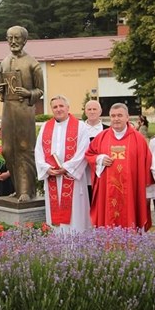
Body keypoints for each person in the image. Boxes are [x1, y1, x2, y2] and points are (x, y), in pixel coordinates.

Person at [86, 103, 153, 230]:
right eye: (113, 116)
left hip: (131, 191)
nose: (116, 119)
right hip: (107, 191)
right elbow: (89, 154)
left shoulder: (138, 139)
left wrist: (147, 190)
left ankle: (130, 245)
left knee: (130, 219)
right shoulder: (101, 137)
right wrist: (99, 159)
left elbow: (147, 163)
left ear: (127, 117)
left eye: (120, 115)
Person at [0, 26, 44, 202]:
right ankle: (17, 189)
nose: (13, 42)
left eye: (17, 38)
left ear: (24, 41)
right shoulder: (4, 62)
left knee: (24, 148)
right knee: (8, 150)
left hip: (24, 111)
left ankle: (27, 190)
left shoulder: (33, 63)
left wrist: (28, 93)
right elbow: (2, 87)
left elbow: (40, 91)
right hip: (8, 110)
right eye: (10, 38)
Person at [35, 96, 91, 233]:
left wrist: (66, 168)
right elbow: (38, 150)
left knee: (75, 215)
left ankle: (76, 246)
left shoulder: (80, 127)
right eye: (55, 107)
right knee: (55, 219)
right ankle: (57, 246)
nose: (58, 109)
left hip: (73, 178)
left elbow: (83, 150)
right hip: (52, 177)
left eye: (61, 106)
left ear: (68, 107)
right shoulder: (45, 127)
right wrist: (46, 168)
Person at [82, 99, 109, 201]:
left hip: (102, 174)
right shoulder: (78, 130)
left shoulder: (108, 130)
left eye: (95, 109)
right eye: (89, 109)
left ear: (100, 112)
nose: (92, 111)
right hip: (83, 172)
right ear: (85, 112)